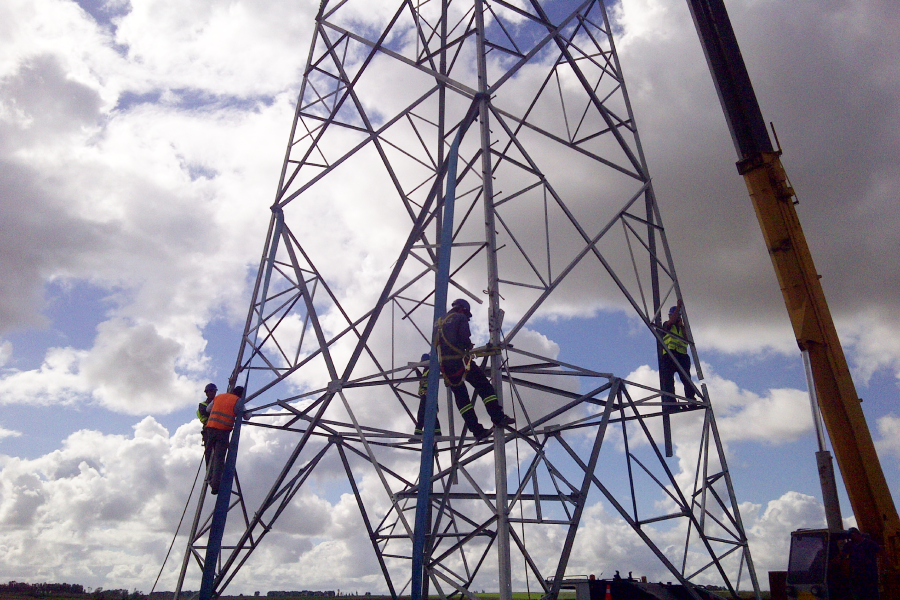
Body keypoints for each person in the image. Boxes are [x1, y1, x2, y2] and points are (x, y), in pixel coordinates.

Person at [436, 299, 514, 441]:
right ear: (463, 310)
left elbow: (435, 345)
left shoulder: (439, 322)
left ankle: (477, 431)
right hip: (460, 361)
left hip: (445, 366)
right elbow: (464, 338)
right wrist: (467, 345)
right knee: (484, 386)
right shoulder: (460, 318)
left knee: (462, 400)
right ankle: (498, 417)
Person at [204, 386, 245, 495]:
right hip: (222, 431)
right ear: (241, 395)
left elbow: (208, 409)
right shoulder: (238, 401)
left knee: (209, 454)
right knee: (219, 458)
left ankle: (209, 477)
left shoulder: (219, 396)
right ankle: (215, 485)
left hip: (210, 429)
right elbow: (247, 416)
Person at [659, 299, 696, 406]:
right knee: (668, 381)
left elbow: (686, 338)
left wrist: (683, 326)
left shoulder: (681, 328)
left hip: (682, 356)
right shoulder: (667, 325)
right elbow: (671, 322)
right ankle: (671, 402)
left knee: (686, 379)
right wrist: (678, 307)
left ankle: (690, 399)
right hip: (669, 355)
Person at [842, 527, 880, 599]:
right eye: (850, 536)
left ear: (857, 534)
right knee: (860, 594)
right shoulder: (849, 545)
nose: (852, 537)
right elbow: (842, 556)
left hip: (870, 574)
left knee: (872, 593)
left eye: (853, 535)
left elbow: (881, 553)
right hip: (857, 575)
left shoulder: (869, 543)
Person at [412, 353, 442, 440]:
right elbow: (421, 378)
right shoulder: (427, 370)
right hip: (427, 395)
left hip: (427, 395)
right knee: (430, 413)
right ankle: (437, 432)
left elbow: (424, 379)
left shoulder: (431, 369)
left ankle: (418, 434)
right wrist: (416, 370)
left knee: (422, 414)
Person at [198, 383, 217, 466]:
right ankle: (210, 476)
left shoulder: (218, 402)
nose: (212, 393)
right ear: (206, 393)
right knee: (209, 454)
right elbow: (206, 413)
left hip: (218, 430)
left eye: (213, 391)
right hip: (208, 431)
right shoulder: (202, 405)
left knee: (219, 454)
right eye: (210, 391)